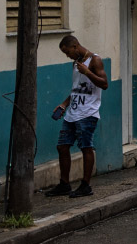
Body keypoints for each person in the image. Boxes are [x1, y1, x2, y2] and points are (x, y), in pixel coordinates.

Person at [46, 35, 108, 198]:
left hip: (88, 113)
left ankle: (85, 185)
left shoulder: (95, 60)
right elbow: (76, 89)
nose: (68, 56)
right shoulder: (75, 64)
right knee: (62, 146)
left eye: (68, 52)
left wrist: (87, 72)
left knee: (86, 147)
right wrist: (64, 104)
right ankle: (64, 184)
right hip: (72, 112)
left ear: (75, 46)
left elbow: (104, 84)